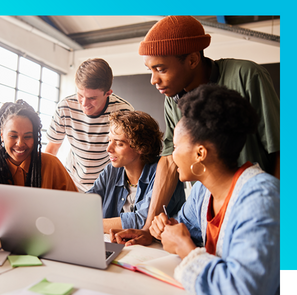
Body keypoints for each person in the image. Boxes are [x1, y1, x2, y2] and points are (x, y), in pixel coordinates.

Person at [115, 84, 280, 294]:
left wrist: (185, 249)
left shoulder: (262, 199)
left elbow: (245, 289)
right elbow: (186, 228)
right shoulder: (203, 192)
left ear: (200, 153)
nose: (172, 157)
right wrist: (163, 229)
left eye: (175, 148)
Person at [138, 15, 280, 230]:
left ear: (193, 60)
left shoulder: (247, 76)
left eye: (161, 69)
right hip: (209, 215)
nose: (153, 80)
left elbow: (281, 149)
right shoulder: (172, 98)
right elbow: (168, 160)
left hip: (255, 210)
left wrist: (274, 212)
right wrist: (148, 228)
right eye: (150, 69)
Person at [0, 99, 77, 230]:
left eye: (28, 136)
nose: (20, 143)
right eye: (13, 136)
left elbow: (75, 204)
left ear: (35, 137)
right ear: (2, 135)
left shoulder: (51, 163)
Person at [88, 111, 185, 233]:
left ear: (141, 147)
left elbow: (143, 221)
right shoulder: (111, 171)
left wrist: (90, 223)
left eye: (119, 143)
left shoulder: (163, 173)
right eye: (109, 140)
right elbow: (86, 203)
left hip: (157, 247)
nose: (109, 149)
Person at [45, 58, 134, 192]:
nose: (84, 103)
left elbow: (127, 156)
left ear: (108, 93)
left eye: (92, 98)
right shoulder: (65, 107)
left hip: (108, 183)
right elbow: (51, 149)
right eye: (80, 95)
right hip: (72, 180)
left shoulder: (124, 111)